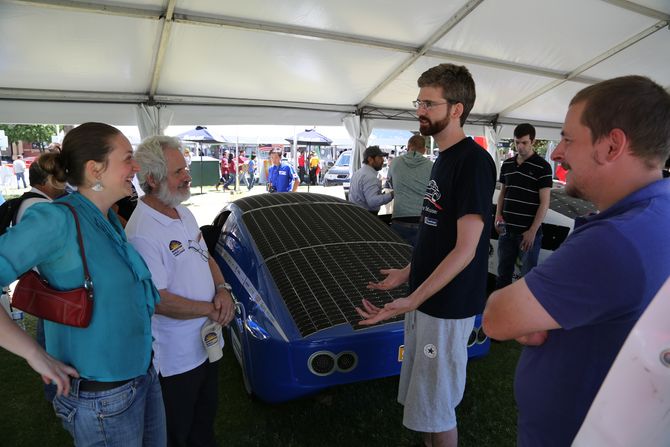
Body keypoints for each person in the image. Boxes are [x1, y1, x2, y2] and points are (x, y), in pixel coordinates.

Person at [482, 75, 670, 446]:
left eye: (568, 139)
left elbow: (497, 317)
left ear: (611, 145)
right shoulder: (657, 213)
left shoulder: (616, 239)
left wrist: (533, 319)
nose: (557, 153)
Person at [0, 122, 166, 445]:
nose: (136, 167)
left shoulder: (105, 218)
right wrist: (34, 353)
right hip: (103, 399)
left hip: (142, 377)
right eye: (128, 158)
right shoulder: (57, 220)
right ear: (95, 170)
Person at [356, 63, 496, 447]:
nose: (420, 109)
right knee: (425, 400)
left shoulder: (473, 162)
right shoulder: (444, 158)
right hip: (427, 299)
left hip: (446, 306)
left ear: (456, 109)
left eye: (429, 103)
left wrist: (414, 297)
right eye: (419, 101)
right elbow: (437, 236)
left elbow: (467, 249)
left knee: (438, 405)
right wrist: (407, 272)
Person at [127, 135, 235, 447]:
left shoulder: (182, 211)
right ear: (151, 179)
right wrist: (211, 308)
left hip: (206, 343)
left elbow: (206, 256)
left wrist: (223, 289)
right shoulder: (141, 232)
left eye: (185, 168)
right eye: (178, 172)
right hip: (174, 361)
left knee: (204, 424)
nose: (187, 175)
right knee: (176, 433)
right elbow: (158, 301)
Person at [494, 123, 553, 289]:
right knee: (502, 275)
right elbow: (503, 193)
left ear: (532, 141)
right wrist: (498, 215)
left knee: (527, 280)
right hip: (507, 230)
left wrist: (533, 230)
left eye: (524, 142)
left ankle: (522, 313)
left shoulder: (543, 167)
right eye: (516, 142)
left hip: (528, 233)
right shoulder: (507, 165)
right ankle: (501, 310)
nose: (520, 146)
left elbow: (545, 202)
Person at [386, 135, 433, 245]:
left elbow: (390, 184)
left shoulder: (395, 162)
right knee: (420, 259)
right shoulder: (431, 165)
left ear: (408, 146)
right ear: (424, 149)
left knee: (398, 258)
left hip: (399, 217)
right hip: (422, 219)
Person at [348, 145, 393, 214]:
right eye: (380, 157)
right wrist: (392, 194)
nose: (383, 160)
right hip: (366, 216)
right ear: (370, 159)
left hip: (357, 213)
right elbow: (373, 201)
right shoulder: (370, 177)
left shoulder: (358, 173)